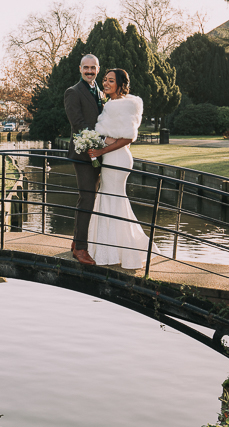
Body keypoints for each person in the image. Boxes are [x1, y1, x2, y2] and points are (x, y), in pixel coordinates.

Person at [87, 68, 160, 269]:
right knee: (110, 197)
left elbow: (127, 138)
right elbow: (116, 135)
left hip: (116, 158)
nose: (106, 83)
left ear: (121, 84)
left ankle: (119, 249)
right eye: (105, 80)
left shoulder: (122, 105)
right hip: (114, 155)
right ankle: (111, 248)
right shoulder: (113, 104)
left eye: (111, 80)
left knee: (113, 198)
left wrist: (102, 151)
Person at [64, 54, 104, 265]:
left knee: (91, 198)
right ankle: (80, 249)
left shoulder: (101, 91)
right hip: (83, 154)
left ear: (98, 69)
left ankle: (75, 242)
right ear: (80, 69)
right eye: (86, 68)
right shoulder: (73, 92)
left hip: (99, 154)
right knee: (87, 198)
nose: (89, 71)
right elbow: (78, 123)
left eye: (93, 68)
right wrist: (94, 145)